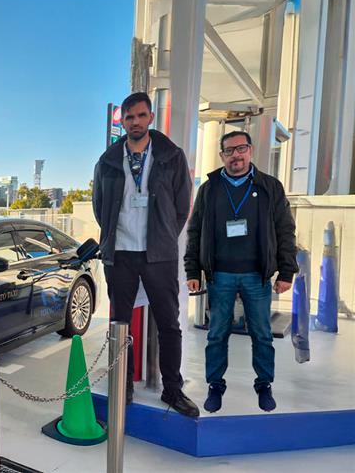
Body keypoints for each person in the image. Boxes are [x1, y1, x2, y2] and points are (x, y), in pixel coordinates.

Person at [93, 92, 199, 417]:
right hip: (120, 255)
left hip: (159, 254)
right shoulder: (108, 161)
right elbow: (100, 207)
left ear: (150, 117)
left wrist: (165, 235)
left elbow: (183, 206)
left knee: (169, 323)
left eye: (141, 115)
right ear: (122, 122)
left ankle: (172, 390)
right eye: (129, 117)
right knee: (119, 325)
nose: (135, 122)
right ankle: (123, 387)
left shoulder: (171, 156)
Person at [184, 130, 297, 413]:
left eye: (241, 148)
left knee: (261, 334)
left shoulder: (270, 186)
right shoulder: (209, 189)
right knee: (216, 334)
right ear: (222, 155)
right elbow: (194, 231)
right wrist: (192, 269)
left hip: (256, 276)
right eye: (230, 150)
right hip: (219, 275)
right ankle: (215, 385)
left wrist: (286, 271)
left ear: (250, 150)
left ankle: (264, 385)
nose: (236, 155)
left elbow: (285, 230)